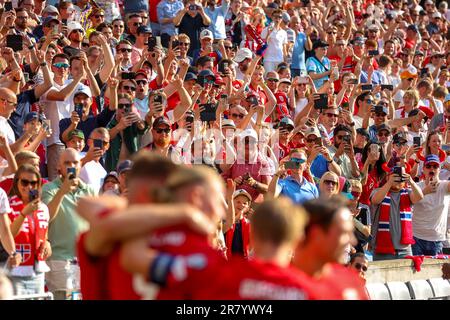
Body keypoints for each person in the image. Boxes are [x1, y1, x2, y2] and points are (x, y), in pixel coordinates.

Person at [41, 148, 96, 299]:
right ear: (59, 166)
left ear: (80, 165)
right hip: (60, 260)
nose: (71, 165)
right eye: (67, 163)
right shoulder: (49, 188)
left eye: (75, 162)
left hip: (84, 260)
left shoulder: (90, 190)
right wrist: (62, 192)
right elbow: (46, 217)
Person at [293, 196, 369, 300]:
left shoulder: (351, 285)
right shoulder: (274, 286)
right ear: (316, 235)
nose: (352, 241)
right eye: (344, 233)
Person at [7, 164, 51, 295]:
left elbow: (45, 234)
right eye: (24, 182)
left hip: (37, 270)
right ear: (17, 183)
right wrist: (24, 213)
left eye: (33, 183)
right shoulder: (8, 205)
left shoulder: (43, 207)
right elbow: (8, 233)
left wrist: (47, 243)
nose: (29, 187)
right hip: (14, 269)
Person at [370, 164, 424, 260]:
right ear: (388, 177)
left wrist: (411, 181)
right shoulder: (378, 191)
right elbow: (376, 200)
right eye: (394, 175)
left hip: (405, 249)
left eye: (400, 176)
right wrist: (390, 183)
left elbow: (419, 197)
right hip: (382, 249)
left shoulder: (407, 193)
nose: (398, 178)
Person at [412, 155, 450, 256]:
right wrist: (425, 191)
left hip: (436, 240)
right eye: (428, 166)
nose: (431, 169)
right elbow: (411, 200)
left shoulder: (445, 186)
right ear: (423, 169)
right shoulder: (418, 186)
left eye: (435, 166)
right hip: (416, 238)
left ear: (439, 169)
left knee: (435, 272)